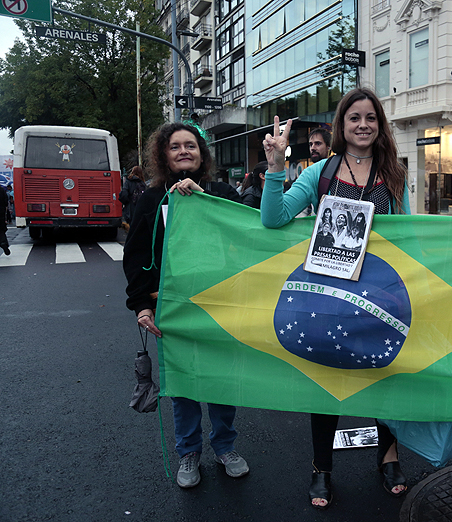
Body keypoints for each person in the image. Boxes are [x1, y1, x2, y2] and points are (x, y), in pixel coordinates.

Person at [260, 87, 411, 510]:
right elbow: (274, 218)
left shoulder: (393, 174)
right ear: (341, 126)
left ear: (379, 126)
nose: (363, 125)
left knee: (385, 376)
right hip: (328, 297)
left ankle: (389, 459)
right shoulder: (321, 173)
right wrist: (276, 166)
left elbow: (411, 239)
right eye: (354, 118)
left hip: (380, 298)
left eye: (371, 118)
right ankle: (321, 468)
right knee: (327, 384)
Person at [124, 122, 249, 489]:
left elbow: (246, 233)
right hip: (172, 309)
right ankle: (188, 451)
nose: (183, 151)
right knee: (183, 384)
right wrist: (140, 306)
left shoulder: (222, 192)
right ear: (163, 154)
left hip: (220, 306)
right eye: (175, 146)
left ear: (201, 152)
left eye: (190, 145)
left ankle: (225, 447)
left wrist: (207, 200)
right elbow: (135, 258)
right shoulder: (149, 199)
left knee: (223, 381)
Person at [0, 185, 9, 256]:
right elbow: (6, 201)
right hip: (1, 213)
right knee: (1, 230)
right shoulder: (1, 189)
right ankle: (3, 243)